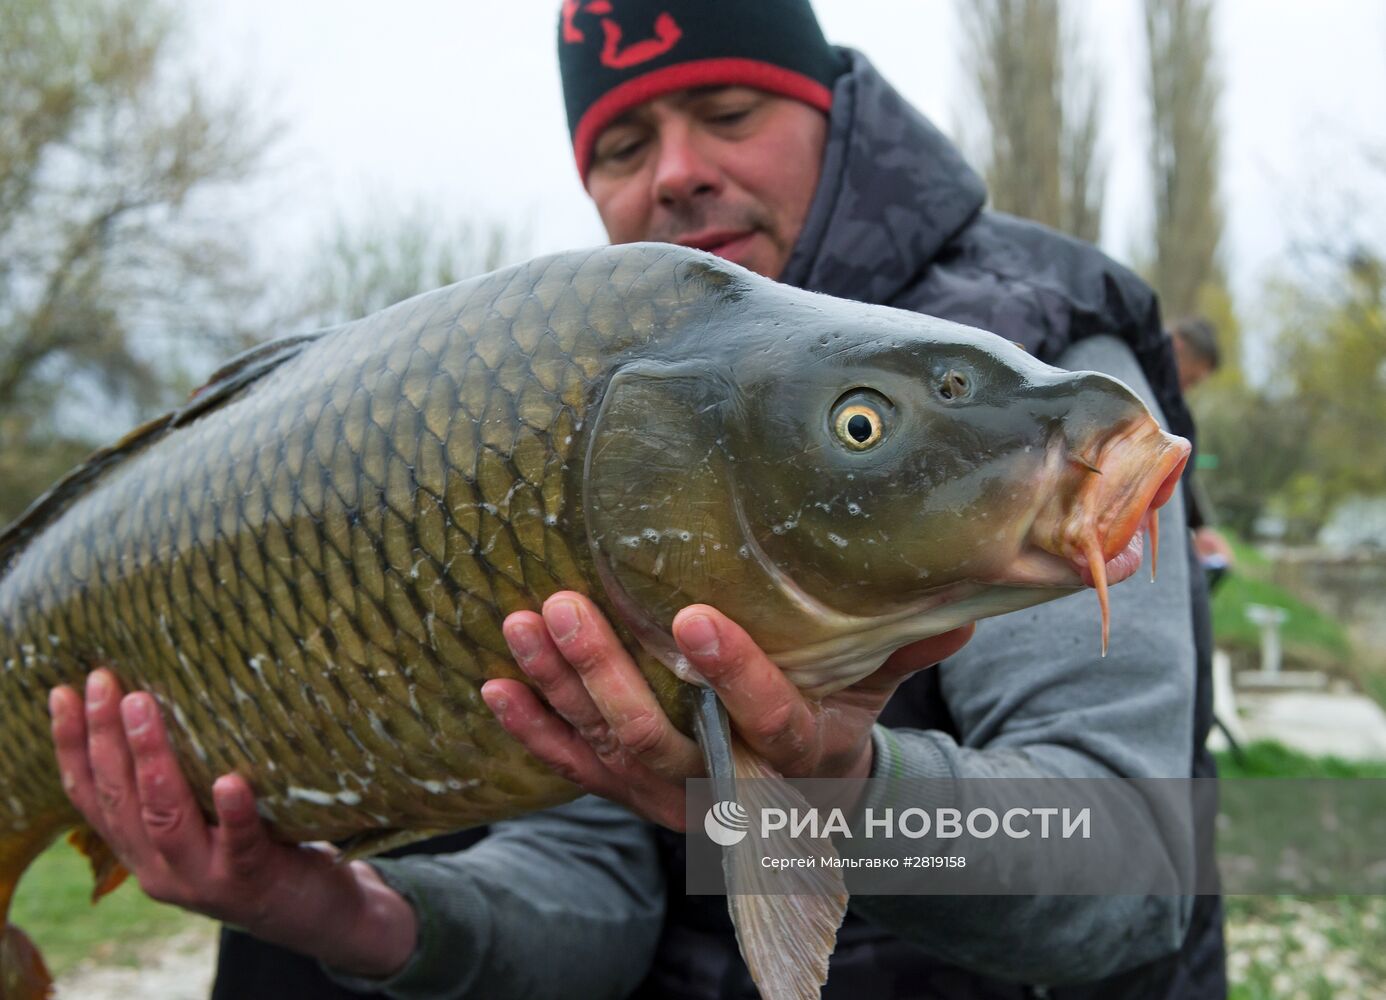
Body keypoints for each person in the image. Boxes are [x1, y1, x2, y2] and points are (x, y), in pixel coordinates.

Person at [47, 1, 1226, 997]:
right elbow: (596, 894)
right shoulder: (568, 414)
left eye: (728, 113)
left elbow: (1135, 867)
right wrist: (344, 912)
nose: (677, 171)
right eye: (620, 145)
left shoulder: (1024, 363)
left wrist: (841, 795)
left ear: (837, 114)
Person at [1167, 316, 1235, 583]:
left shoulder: (1174, 407)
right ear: (1177, 346)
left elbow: (1180, 474)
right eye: (1191, 380)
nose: (1187, 390)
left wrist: (1200, 527)